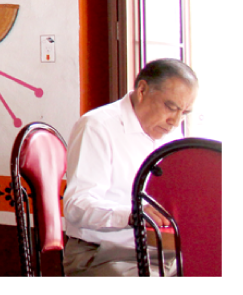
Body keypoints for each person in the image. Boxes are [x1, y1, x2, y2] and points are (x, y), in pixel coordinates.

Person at [62, 58, 198, 277]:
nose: (175, 121)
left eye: (184, 113)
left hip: (160, 251)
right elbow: (76, 207)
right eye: (171, 107)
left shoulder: (171, 136)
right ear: (142, 90)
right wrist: (132, 214)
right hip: (101, 253)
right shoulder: (98, 127)